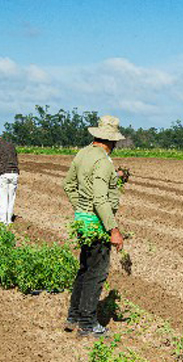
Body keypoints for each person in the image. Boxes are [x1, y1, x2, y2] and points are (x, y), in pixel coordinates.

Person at [62, 115, 126, 337]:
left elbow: (68, 184)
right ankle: (88, 324)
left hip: (82, 220)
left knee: (85, 268)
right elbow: (100, 200)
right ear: (112, 141)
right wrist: (114, 230)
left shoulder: (83, 153)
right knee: (97, 272)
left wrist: (80, 208)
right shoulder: (103, 161)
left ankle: (74, 316)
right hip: (97, 223)